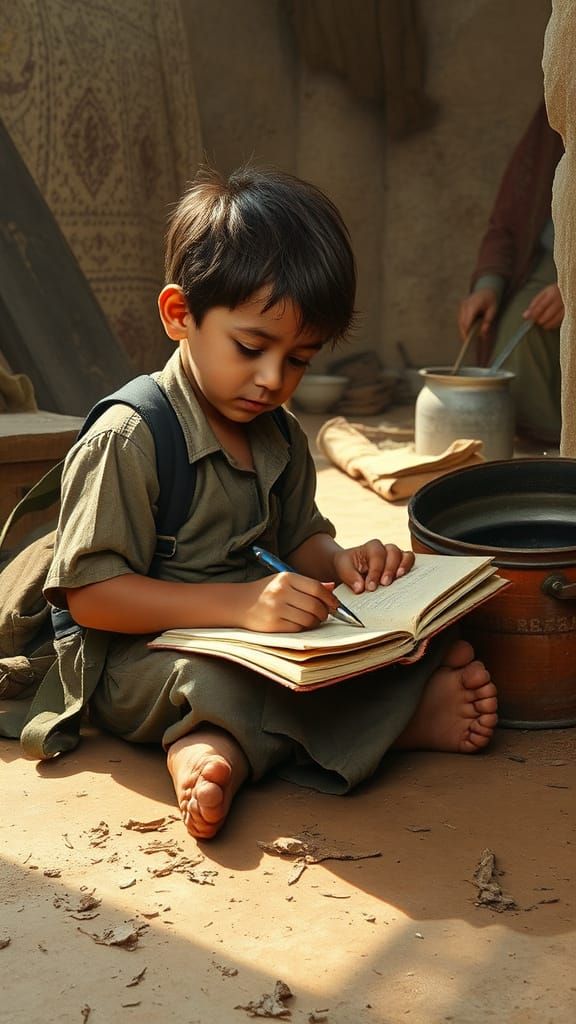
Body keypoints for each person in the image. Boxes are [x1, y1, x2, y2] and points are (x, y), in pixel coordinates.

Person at [42, 166, 497, 840]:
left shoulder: (279, 432)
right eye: (251, 348)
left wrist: (343, 565)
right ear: (179, 315)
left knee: (395, 647)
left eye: (299, 360)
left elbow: (299, 537)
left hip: (258, 640)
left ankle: (250, 740)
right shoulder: (133, 435)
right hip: (142, 656)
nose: (272, 379)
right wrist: (239, 606)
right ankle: (214, 747)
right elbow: (92, 596)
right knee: (214, 685)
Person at [458, 100, 565, 444]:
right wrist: (489, 285)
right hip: (552, 262)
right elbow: (512, 212)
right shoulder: (562, 98)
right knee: (518, 340)